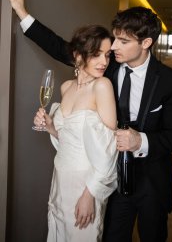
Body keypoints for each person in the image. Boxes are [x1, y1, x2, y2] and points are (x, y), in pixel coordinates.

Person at [5, 0, 172, 242]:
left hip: (151, 180)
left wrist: (140, 140)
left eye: (123, 41)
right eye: (115, 39)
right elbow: (60, 47)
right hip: (110, 180)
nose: (112, 48)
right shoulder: (104, 66)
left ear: (146, 42)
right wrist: (22, 13)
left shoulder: (171, 81)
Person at [28, 22, 117, 241]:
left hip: (85, 184)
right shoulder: (66, 87)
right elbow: (69, 140)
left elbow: (110, 148)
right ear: (78, 56)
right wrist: (50, 126)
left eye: (107, 55)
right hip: (60, 179)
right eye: (97, 55)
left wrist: (90, 194)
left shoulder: (102, 86)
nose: (104, 62)